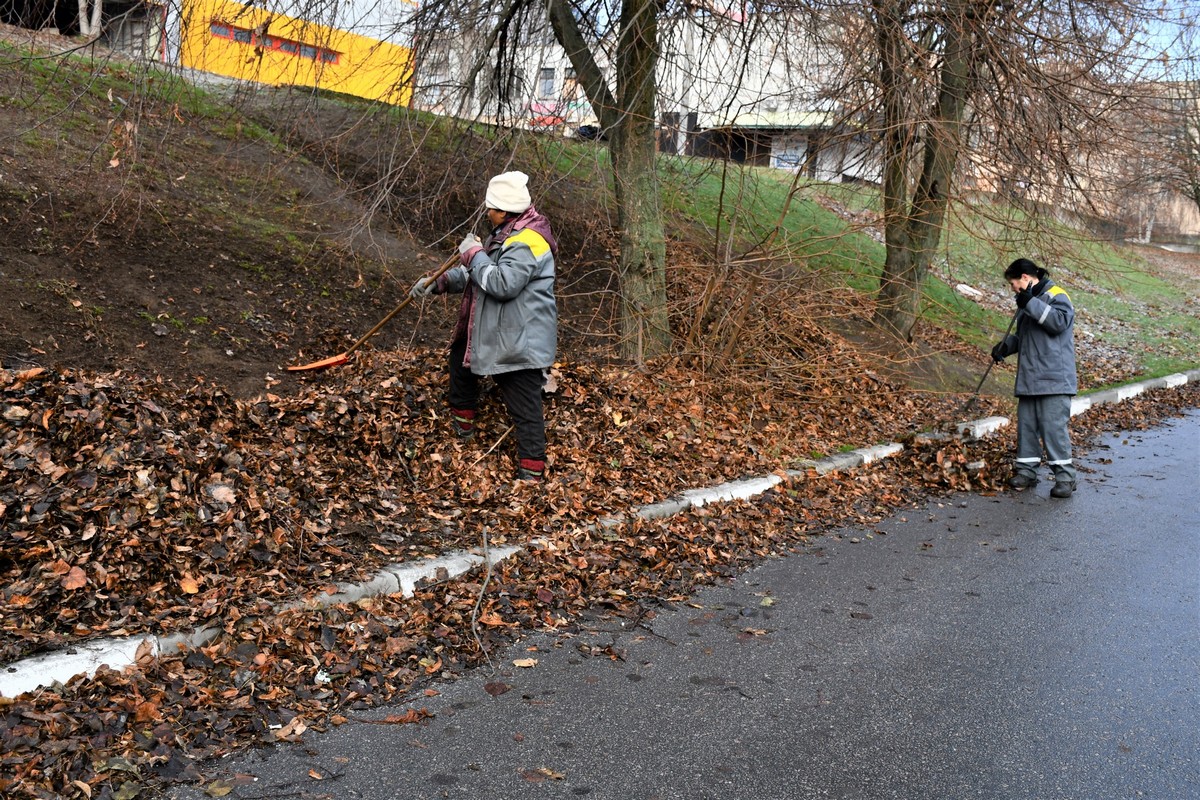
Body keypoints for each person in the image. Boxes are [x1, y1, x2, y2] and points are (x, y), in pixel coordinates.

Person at [410, 171, 558, 482]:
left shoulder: (529, 241)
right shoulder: (506, 233)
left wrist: (475, 254)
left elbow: (502, 282)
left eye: (491, 207)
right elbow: (481, 273)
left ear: (505, 210)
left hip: (520, 339)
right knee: (460, 358)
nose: (487, 212)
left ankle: (531, 470)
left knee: (523, 402)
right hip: (496, 330)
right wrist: (441, 281)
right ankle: (463, 430)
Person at [990, 257, 1078, 498]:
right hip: (1030, 378)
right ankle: (1027, 472)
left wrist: (1030, 303)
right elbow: (1025, 337)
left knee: (1053, 429)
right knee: (1027, 428)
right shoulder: (1027, 302)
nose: (1012, 289)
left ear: (1025, 278)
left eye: (1013, 283)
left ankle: (1066, 478)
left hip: (1054, 379)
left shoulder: (1057, 295)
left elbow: (1059, 323)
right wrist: (1005, 347)